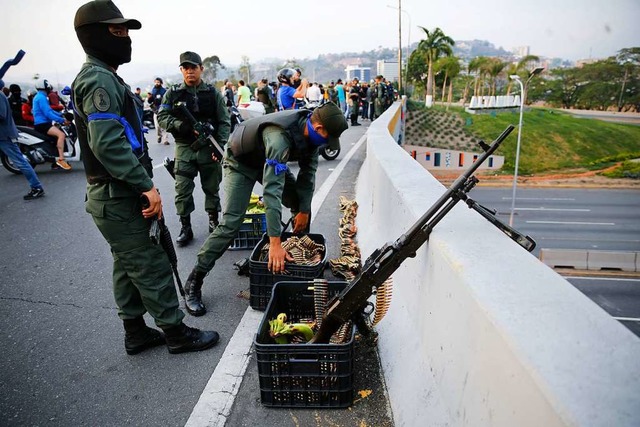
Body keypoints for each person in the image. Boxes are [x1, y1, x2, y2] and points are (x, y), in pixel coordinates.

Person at [72, 0, 219, 354]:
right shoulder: (98, 80)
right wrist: (145, 186)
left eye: (126, 32)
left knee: (128, 264)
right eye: (117, 32)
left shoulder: (106, 76)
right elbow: (107, 144)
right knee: (150, 262)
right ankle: (176, 332)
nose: (126, 39)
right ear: (93, 36)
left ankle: (135, 331)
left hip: (113, 193)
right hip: (118, 193)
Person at [181, 102, 348, 316]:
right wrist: (275, 243)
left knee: (299, 205)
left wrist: (303, 210)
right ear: (319, 129)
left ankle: (301, 262)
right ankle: (195, 280)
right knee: (231, 223)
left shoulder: (312, 137)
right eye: (328, 138)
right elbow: (272, 193)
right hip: (240, 163)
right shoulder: (280, 139)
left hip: (267, 160)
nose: (327, 144)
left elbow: (307, 178)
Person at [157, 51, 231, 246]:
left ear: (201, 69)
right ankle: (185, 226)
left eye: (193, 67)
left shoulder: (212, 93)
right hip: (184, 148)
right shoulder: (173, 93)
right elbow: (162, 117)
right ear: (182, 70)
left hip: (209, 147)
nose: (190, 71)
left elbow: (224, 122)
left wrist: (219, 145)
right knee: (182, 189)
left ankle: (213, 220)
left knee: (211, 187)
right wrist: (181, 125)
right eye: (186, 68)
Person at [0, 79, 45, 200]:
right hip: (5, 134)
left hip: (5, 135)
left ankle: (37, 187)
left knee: (20, 161)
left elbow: (1, 115)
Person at [32, 78, 72, 170]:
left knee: (55, 138)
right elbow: (47, 113)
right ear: (45, 86)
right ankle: (61, 160)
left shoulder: (40, 96)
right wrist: (61, 120)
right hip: (42, 124)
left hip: (43, 123)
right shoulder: (41, 97)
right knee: (61, 135)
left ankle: (55, 162)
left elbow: (49, 110)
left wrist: (61, 114)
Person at [148, 77, 168, 144]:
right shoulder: (153, 91)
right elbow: (149, 101)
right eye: (156, 82)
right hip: (155, 110)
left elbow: (167, 100)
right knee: (157, 126)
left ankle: (165, 140)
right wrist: (150, 98)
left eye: (158, 82)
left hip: (163, 109)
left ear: (161, 83)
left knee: (164, 125)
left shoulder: (164, 91)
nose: (157, 83)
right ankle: (159, 136)